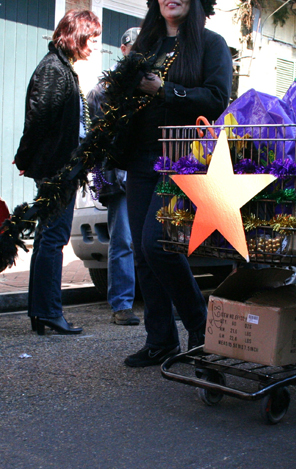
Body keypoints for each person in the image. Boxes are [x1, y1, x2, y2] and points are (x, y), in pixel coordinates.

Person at [120, 0, 232, 367]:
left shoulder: (210, 44)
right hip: (141, 158)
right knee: (141, 249)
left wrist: (166, 90)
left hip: (184, 161)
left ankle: (200, 328)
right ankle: (161, 340)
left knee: (157, 245)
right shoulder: (146, 44)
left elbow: (218, 99)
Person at [14, 10, 101, 335]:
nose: (94, 45)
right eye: (91, 38)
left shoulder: (61, 68)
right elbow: (38, 120)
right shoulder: (53, 69)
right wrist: (24, 157)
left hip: (61, 168)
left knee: (49, 239)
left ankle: (43, 311)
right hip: (56, 170)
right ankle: (48, 311)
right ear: (76, 35)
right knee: (53, 239)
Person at [87, 27, 142, 327]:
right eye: (133, 46)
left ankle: (159, 298)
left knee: (152, 240)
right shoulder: (104, 89)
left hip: (146, 173)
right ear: (123, 49)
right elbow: (98, 129)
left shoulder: (153, 81)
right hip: (120, 177)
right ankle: (121, 304)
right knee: (123, 240)